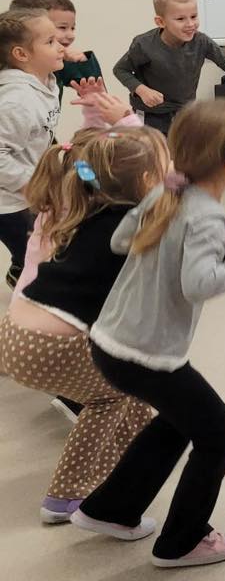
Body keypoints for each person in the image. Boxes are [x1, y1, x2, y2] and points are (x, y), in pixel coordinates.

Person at [71, 98, 225, 568]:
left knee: (179, 420)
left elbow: (120, 240)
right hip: (147, 354)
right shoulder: (205, 214)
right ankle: (182, 542)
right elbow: (198, 284)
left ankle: (111, 509)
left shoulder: (169, 193)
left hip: (111, 342)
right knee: (218, 430)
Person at [0, 128, 166, 522]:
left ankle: (139, 444)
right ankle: (65, 497)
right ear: (144, 182)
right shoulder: (119, 223)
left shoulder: (73, 207)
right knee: (110, 395)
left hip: (15, 333)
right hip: (50, 345)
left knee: (128, 378)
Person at [112, 0, 225, 135]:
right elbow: (120, 70)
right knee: (153, 150)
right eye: (180, 19)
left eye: (194, 16)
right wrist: (141, 90)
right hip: (150, 116)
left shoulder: (201, 42)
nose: (190, 24)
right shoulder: (144, 44)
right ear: (161, 22)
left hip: (185, 113)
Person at [0, 8, 65, 287]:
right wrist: (29, 183)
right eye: (50, 41)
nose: (61, 46)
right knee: (39, 260)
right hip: (8, 202)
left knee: (47, 248)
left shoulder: (45, 82)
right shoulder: (17, 101)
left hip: (27, 191)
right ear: (21, 54)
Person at [8, 0, 106, 99]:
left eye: (72, 28)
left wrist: (83, 62)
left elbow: (98, 94)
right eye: (62, 27)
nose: (71, 35)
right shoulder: (10, 83)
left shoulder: (59, 62)